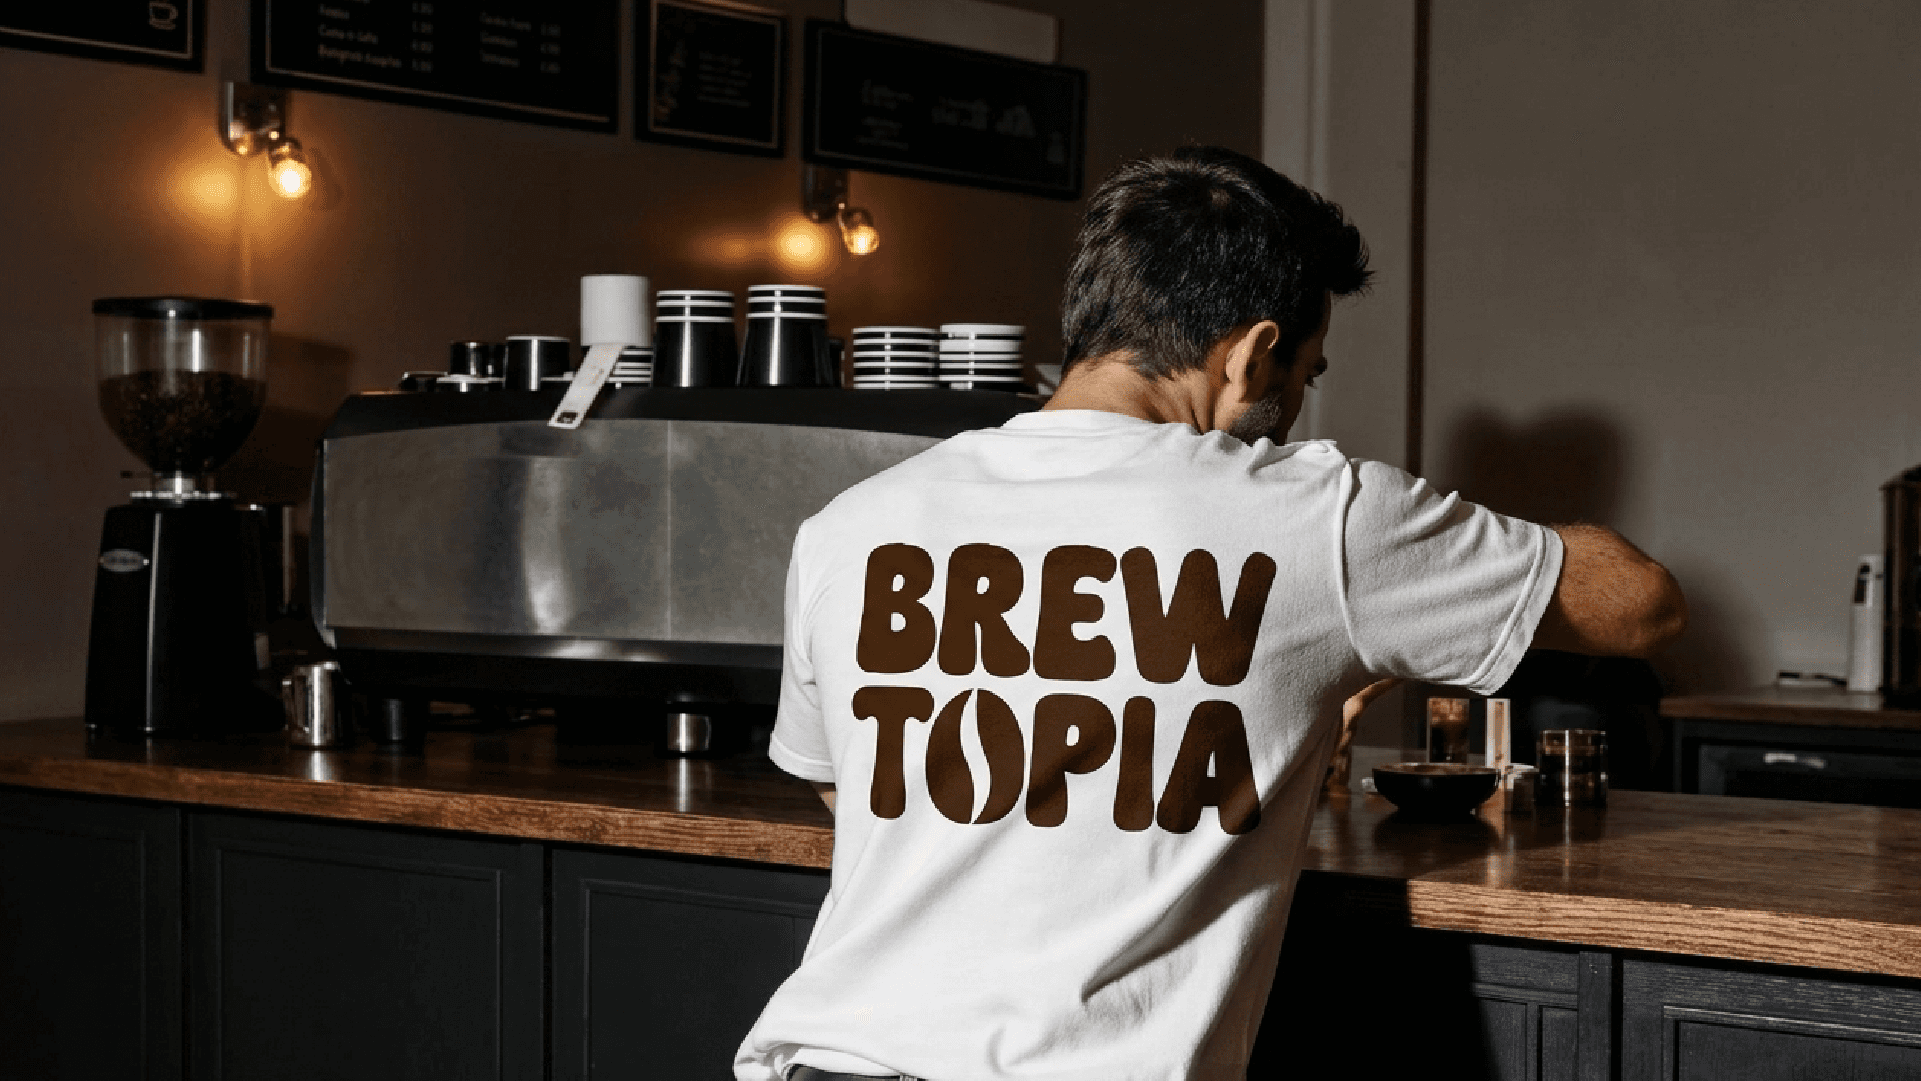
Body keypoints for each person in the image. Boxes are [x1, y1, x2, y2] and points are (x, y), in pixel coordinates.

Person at [735, 146, 1685, 1081]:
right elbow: (1642, 604)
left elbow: (858, 800)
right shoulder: (1322, 516)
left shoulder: (850, 524)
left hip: (825, 1061)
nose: (1298, 402)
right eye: (1306, 374)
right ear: (1251, 355)